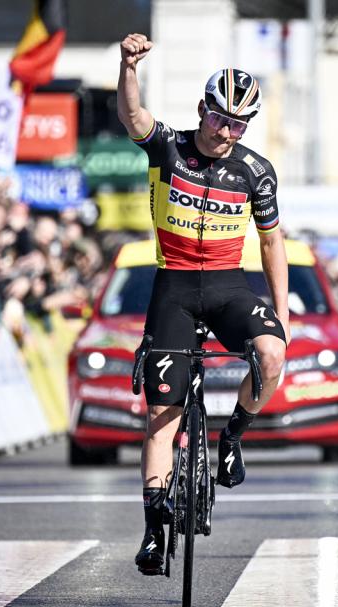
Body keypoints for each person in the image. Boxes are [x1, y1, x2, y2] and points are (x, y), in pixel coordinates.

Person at [117, 33, 290, 575]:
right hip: (174, 289)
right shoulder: (168, 146)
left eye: (238, 124)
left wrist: (281, 314)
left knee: (271, 354)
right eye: (219, 119)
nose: (226, 131)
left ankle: (233, 436)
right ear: (203, 110)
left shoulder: (255, 171)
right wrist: (128, 67)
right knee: (162, 416)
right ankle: (151, 528)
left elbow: (271, 243)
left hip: (227, 287)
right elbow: (132, 114)